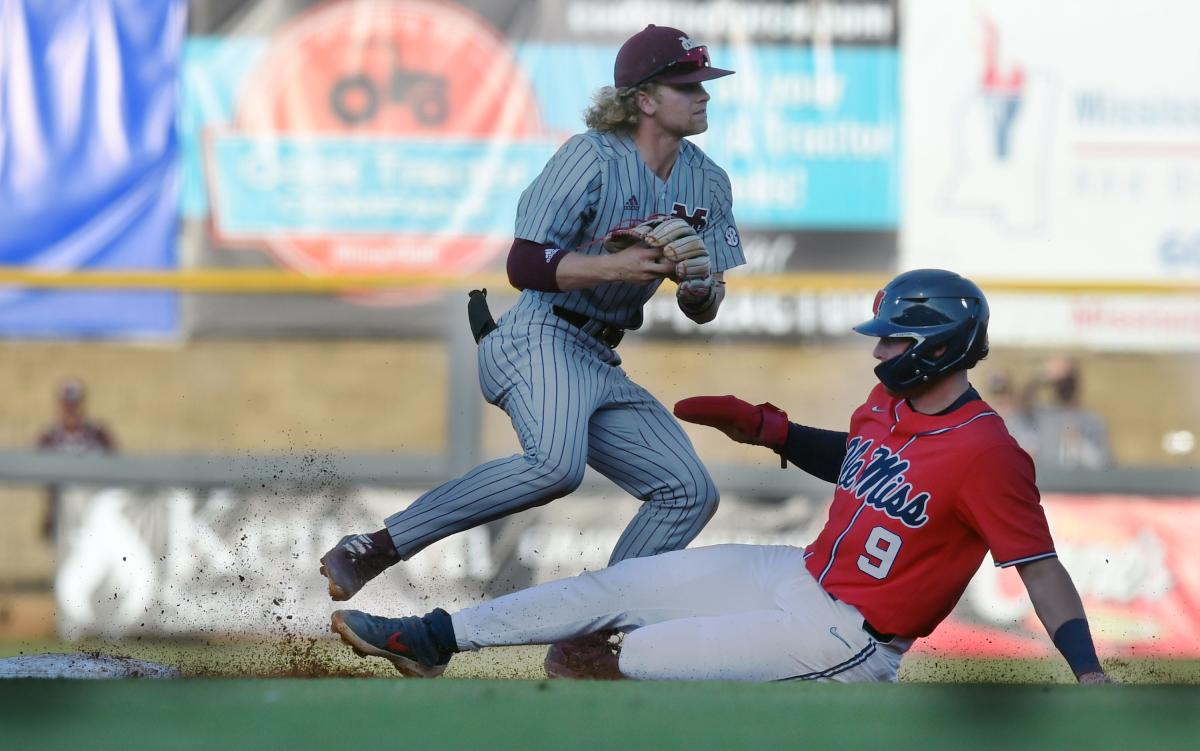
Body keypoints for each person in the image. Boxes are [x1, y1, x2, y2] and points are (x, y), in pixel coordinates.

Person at [327, 269, 1111, 684]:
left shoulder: (988, 451)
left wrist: (1088, 672)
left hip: (847, 639)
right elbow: (864, 463)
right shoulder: (889, 403)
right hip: (796, 574)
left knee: (625, 657)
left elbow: (1040, 571)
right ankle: (431, 637)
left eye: (892, 338)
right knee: (613, 591)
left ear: (937, 345)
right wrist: (772, 430)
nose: (878, 351)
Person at [320, 24, 744, 677]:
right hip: (537, 331)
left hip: (600, 356)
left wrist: (697, 287)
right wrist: (617, 266)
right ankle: (375, 545)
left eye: (703, 83)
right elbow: (524, 262)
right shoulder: (591, 157)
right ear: (645, 99)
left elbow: (705, 307)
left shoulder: (708, 182)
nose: (702, 95)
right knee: (555, 464)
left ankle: (585, 641)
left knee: (688, 489)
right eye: (686, 84)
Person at [36, 378, 118, 539]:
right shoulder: (49, 437)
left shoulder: (98, 434)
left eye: (74, 403)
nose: (71, 409)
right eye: (67, 403)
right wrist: (49, 512)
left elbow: (116, 468)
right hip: (62, 510)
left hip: (96, 506)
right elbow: (46, 482)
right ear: (59, 404)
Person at [1023, 356, 1113, 469]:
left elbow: (1105, 465)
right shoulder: (1042, 416)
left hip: (1079, 483)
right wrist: (1041, 377)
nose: (1063, 385)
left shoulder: (1091, 421)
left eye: (1066, 380)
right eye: (1059, 381)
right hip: (1047, 483)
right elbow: (1022, 403)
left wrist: (1078, 444)